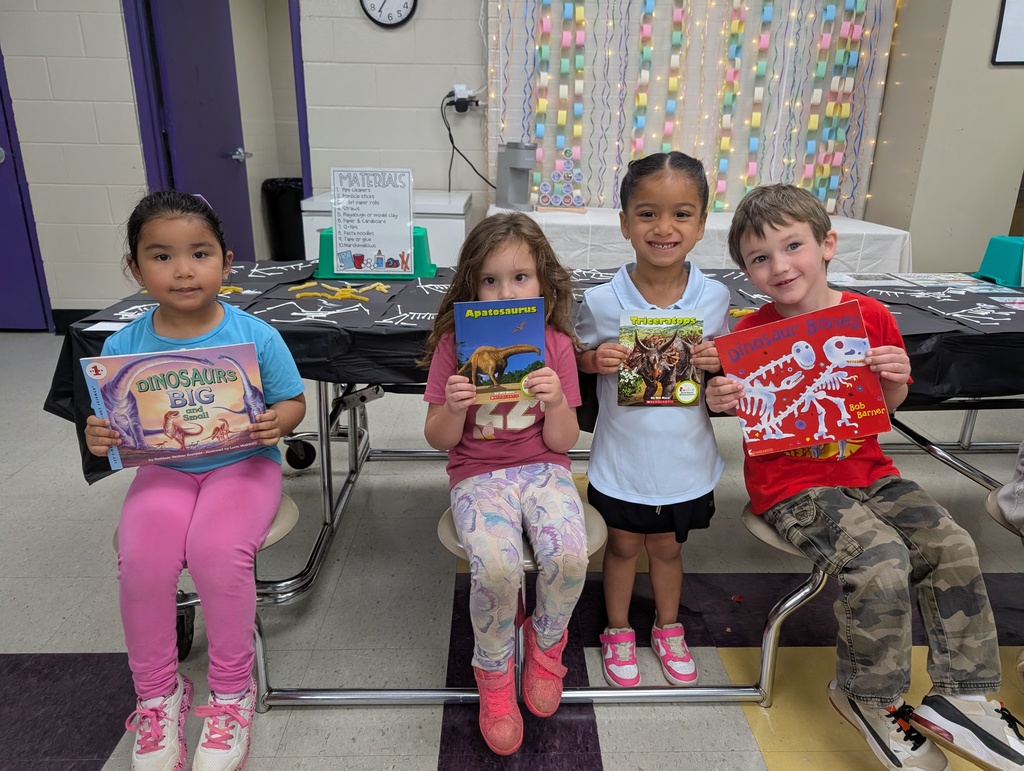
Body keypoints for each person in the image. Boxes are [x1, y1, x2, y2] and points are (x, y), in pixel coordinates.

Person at [706, 183, 1024, 771]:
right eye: (759, 257)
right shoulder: (746, 332)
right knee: (879, 555)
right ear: (745, 270)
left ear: (826, 244)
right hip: (793, 486)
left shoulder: (870, 316)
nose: (779, 266)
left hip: (870, 471)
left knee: (952, 542)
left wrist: (898, 376)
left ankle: (964, 693)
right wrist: (722, 395)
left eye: (792, 245)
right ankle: (867, 695)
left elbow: (885, 404)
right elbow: (732, 404)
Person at [85, 191, 306, 770]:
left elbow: (294, 403)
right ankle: (159, 694)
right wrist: (98, 435)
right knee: (143, 559)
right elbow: (112, 425)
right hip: (165, 471)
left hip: (243, 465)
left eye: (199, 253)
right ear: (135, 268)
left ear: (226, 262)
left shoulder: (255, 336)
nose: (183, 270)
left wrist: (274, 422)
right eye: (161, 256)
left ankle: (232, 691)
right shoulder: (122, 348)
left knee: (216, 551)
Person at [421, 212, 588, 756]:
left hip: (545, 467)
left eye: (520, 278)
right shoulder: (455, 345)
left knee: (568, 555)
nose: (503, 292)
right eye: (490, 280)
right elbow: (439, 439)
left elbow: (564, 442)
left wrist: (557, 400)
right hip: (477, 473)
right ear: (471, 284)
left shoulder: (556, 344)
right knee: (497, 566)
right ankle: (492, 672)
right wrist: (451, 406)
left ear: (543, 282)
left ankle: (546, 643)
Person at [575, 152, 730, 688]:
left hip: (685, 459)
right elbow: (573, 361)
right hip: (623, 459)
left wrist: (716, 364)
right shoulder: (598, 302)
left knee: (668, 548)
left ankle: (668, 627)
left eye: (682, 214)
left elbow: (721, 370)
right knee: (620, 547)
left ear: (702, 223)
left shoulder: (715, 297)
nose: (664, 228)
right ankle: (617, 629)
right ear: (624, 222)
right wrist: (593, 360)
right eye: (647, 214)